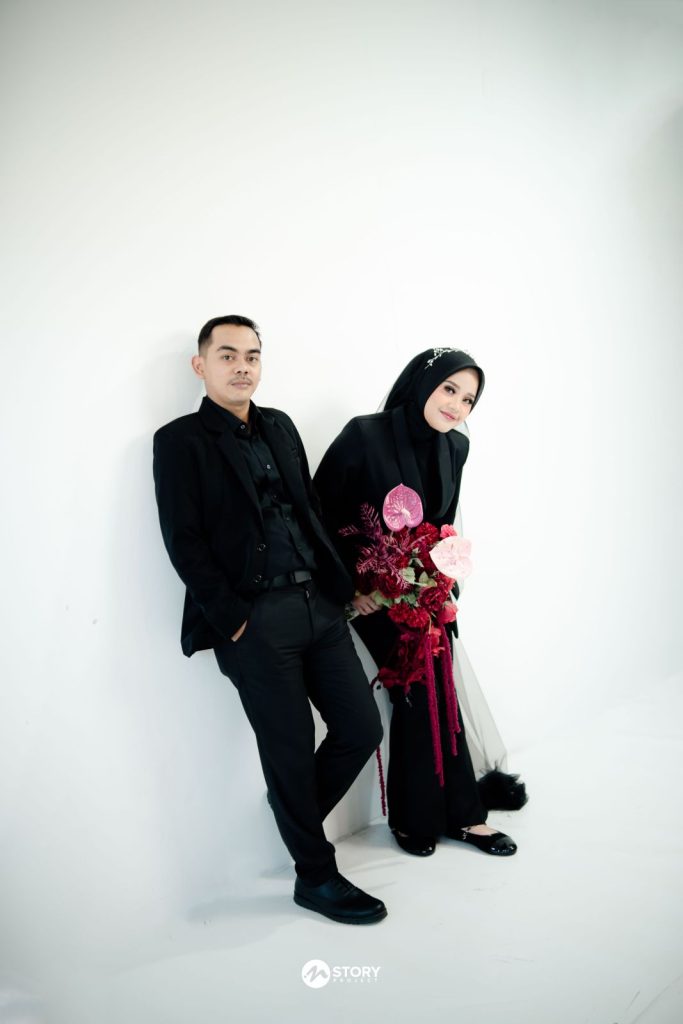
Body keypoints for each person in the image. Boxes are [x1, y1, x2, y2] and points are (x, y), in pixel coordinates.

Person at [153, 315, 386, 924]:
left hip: (320, 608)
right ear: (201, 365)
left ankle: (292, 810)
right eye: (227, 355)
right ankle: (316, 877)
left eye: (252, 355)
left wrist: (343, 588)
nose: (242, 367)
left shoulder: (280, 425)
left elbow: (310, 510)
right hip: (255, 623)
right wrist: (234, 620)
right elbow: (184, 541)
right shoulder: (179, 441)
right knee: (289, 748)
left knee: (361, 728)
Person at [314, 347, 526, 858]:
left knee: (440, 685)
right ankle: (421, 816)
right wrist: (354, 589)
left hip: (422, 587)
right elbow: (318, 517)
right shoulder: (364, 435)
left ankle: (461, 813)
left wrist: (438, 582)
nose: (456, 405)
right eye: (449, 389)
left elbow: (443, 523)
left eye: (468, 399)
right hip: (368, 592)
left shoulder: (456, 447)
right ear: (423, 383)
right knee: (415, 685)